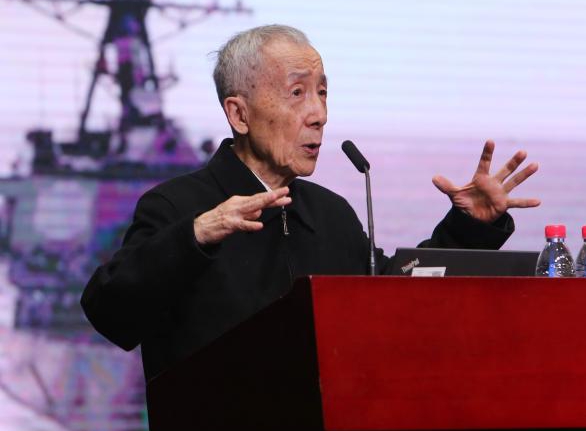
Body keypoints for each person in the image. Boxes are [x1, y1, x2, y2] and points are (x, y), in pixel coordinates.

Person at [81, 24, 540, 381]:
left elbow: (396, 297)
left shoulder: (330, 214)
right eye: (297, 93)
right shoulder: (176, 206)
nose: (319, 114)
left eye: (322, 92)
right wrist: (196, 235)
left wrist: (469, 226)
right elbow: (109, 313)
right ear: (239, 114)